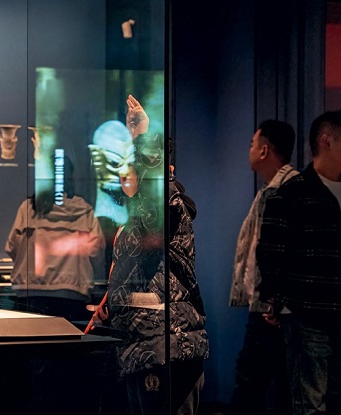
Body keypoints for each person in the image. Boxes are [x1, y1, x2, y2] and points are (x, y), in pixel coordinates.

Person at [91, 96, 209, 415]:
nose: (124, 173)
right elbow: (137, 274)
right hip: (142, 346)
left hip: (166, 345)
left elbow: (158, 191)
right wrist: (112, 306)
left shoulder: (168, 204)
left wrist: (142, 135)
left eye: (131, 165)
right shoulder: (137, 218)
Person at [257, 110, 341, 414]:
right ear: (326, 141)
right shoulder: (293, 193)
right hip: (309, 313)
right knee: (309, 402)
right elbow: (271, 252)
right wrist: (274, 299)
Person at [228, 120, 298, 415]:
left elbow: (288, 251)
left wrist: (275, 298)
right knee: (258, 377)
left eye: (252, 143)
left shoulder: (287, 189)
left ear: (265, 150)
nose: (250, 150)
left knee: (269, 380)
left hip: (274, 308)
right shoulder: (270, 190)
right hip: (266, 305)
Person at [5, 153, 106, 321]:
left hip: (30, 292)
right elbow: (96, 253)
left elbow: (12, 247)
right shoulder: (84, 211)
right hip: (72, 294)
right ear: (71, 178)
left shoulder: (28, 208)